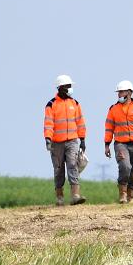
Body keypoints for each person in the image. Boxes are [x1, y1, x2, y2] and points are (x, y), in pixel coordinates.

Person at [44, 74, 87, 206]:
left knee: (73, 165)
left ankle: (75, 195)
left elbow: (80, 122)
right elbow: (48, 123)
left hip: (72, 141)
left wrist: (83, 139)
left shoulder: (75, 103)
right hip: (56, 143)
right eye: (68, 86)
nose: (70, 89)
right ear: (61, 88)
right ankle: (59, 197)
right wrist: (48, 138)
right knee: (58, 170)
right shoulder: (51, 104)